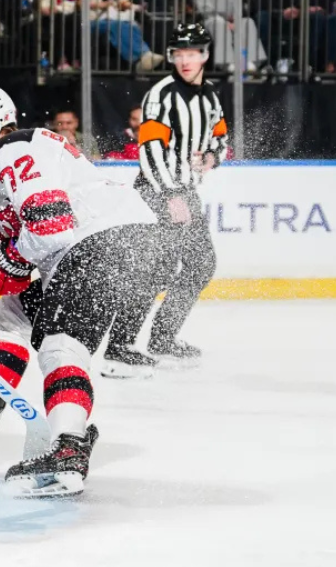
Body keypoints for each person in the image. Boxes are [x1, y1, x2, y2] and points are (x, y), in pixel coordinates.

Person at [0, 84, 171, 496]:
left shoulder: (14, 147)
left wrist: (12, 259)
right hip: (133, 245)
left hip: (104, 240)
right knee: (12, 312)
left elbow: (51, 226)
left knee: (60, 342)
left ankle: (68, 448)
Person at [115, 23, 228, 367]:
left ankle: (162, 338)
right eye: (179, 54)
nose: (185, 60)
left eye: (192, 53)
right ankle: (120, 344)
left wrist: (212, 157)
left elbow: (220, 139)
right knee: (157, 267)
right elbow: (149, 150)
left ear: (205, 55)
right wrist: (168, 195)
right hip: (156, 190)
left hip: (183, 190)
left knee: (200, 264)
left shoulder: (209, 96)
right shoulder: (161, 95)